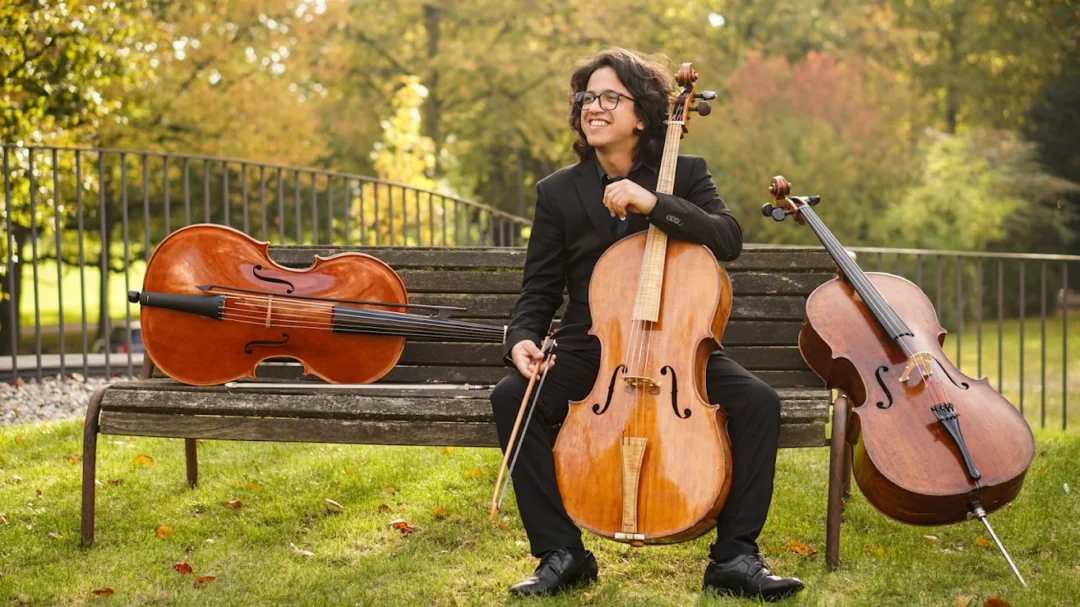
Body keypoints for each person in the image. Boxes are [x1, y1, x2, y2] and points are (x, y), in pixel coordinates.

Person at [489, 48, 805, 602]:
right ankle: (562, 553)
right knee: (511, 395)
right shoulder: (557, 192)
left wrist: (654, 202)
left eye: (611, 96)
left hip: (678, 345)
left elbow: (728, 238)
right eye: (588, 96)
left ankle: (734, 556)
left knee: (759, 403)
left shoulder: (683, 172)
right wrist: (520, 340)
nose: (595, 106)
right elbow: (538, 290)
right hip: (594, 347)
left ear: (642, 115)